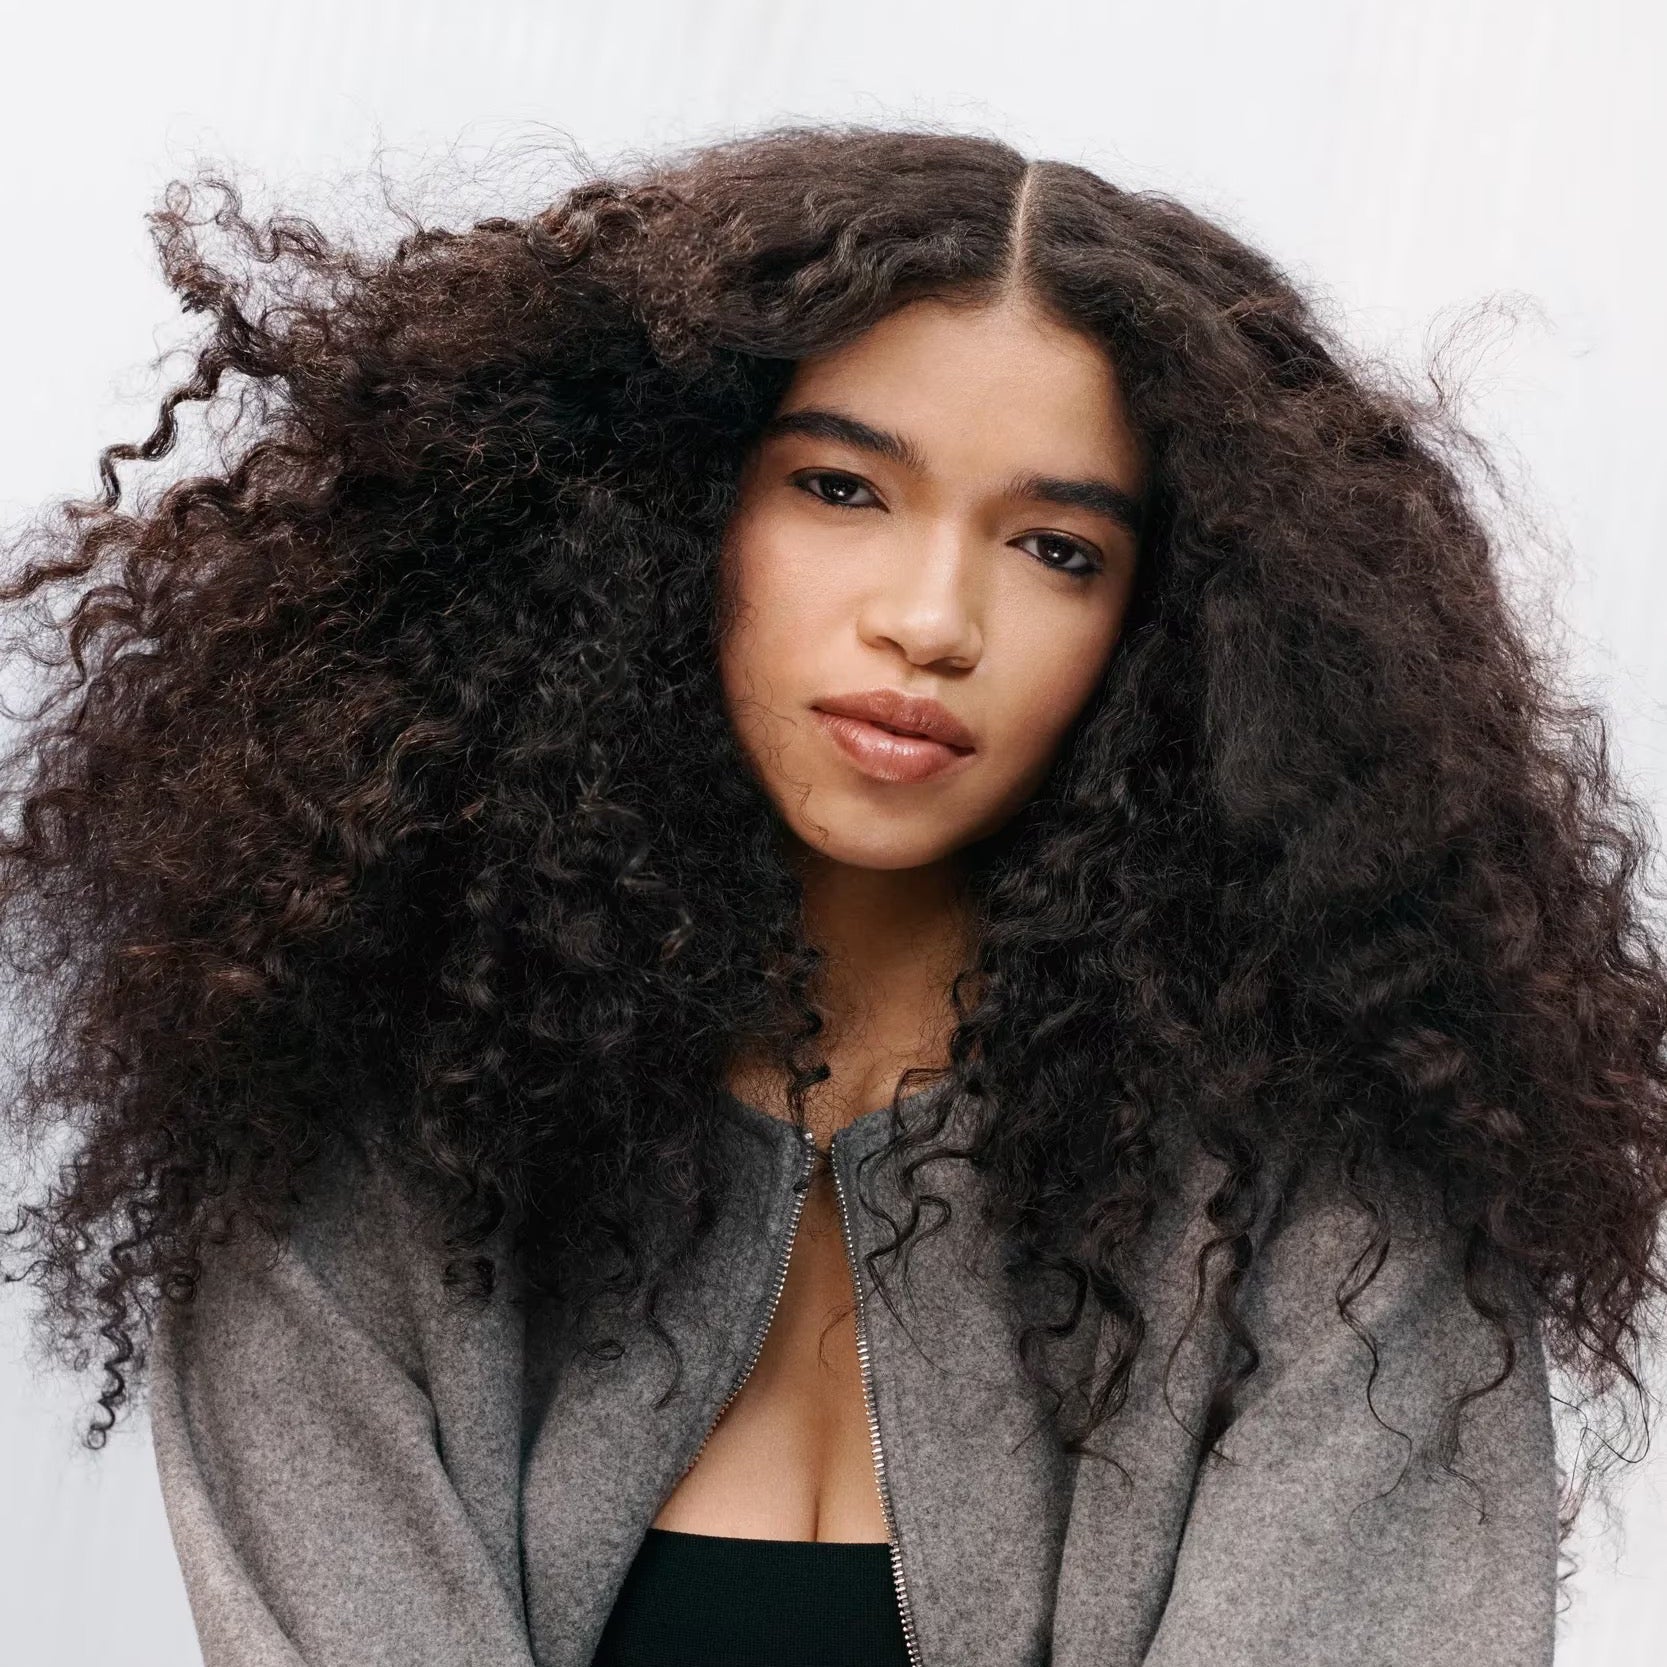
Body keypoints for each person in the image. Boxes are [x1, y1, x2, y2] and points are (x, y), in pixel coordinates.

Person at [1, 121, 1663, 1667]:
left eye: (1058, 548)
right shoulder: (357, 1110)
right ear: (650, 513)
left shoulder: (1338, 1201)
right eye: (842, 487)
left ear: (1181, 636)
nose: (933, 618)